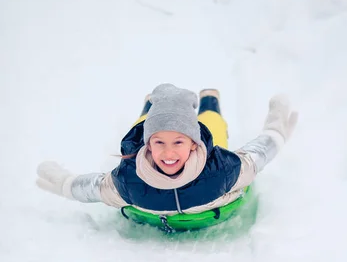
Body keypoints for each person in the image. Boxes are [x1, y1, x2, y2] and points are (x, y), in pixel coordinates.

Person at [36, 84, 298, 215]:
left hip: (202, 140)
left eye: (179, 143)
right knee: (141, 125)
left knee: (213, 127)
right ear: (148, 146)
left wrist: (275, 131)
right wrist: (66, 184)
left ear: (193, 144)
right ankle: (151, 106)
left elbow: (255, 158)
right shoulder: (131, 179)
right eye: (158, 143)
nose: (168, 153)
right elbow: (96, 188)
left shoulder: (221, 170)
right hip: (150, 134)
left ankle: (209, 99)